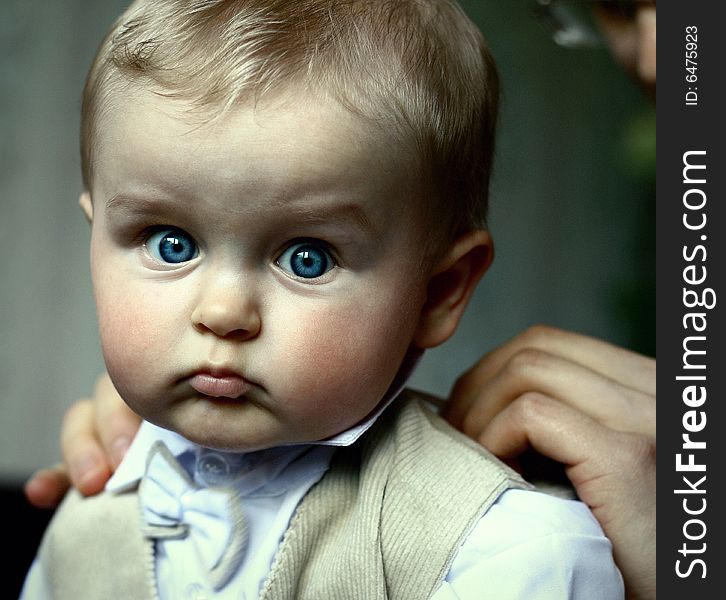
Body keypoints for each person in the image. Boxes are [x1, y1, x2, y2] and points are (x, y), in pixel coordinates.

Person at [20, 0, 624, 598]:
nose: (224, 313)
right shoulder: (85, 520)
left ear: (438, 292)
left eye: (306, 258)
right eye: (172, 245)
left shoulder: (506, 552)